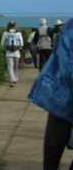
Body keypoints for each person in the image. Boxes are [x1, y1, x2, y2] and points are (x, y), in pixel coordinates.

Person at [29, 19, 73, 170]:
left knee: (54, 143)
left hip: (60, 95)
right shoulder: (69, 29)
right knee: (55, 140)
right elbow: (66, 65)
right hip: (64, 94)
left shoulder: (67, 28)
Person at [0, 21, 24, 87]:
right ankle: (15, 79)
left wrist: (5, 48)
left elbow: (2, 43)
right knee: (16, 66)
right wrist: (19, 48)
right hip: (16, 52)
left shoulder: (5, 33)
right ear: (15, 25)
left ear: (8, 25)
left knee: (10, 66)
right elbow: (22, 43)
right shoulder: (18, 33)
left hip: (8, 52)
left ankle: (11, 80)